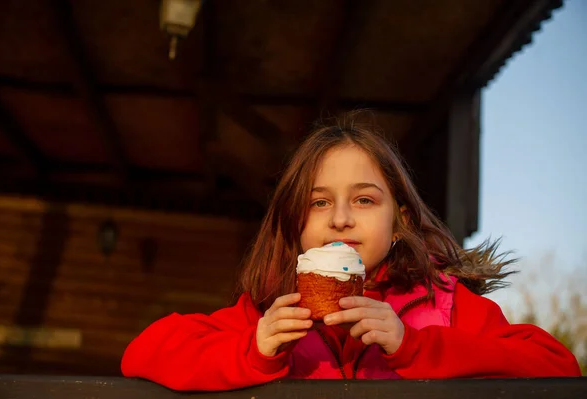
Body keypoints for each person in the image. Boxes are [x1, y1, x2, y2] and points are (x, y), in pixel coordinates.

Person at [121, 112, 581, 391]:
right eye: (319, 202)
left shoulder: (444, 306)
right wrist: (254, 349)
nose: (340, 218)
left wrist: (414, 345)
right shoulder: (269, 312)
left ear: (399, 219)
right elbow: (144, 352)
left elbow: (556, 367)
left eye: (364, 199)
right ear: (296, 224)